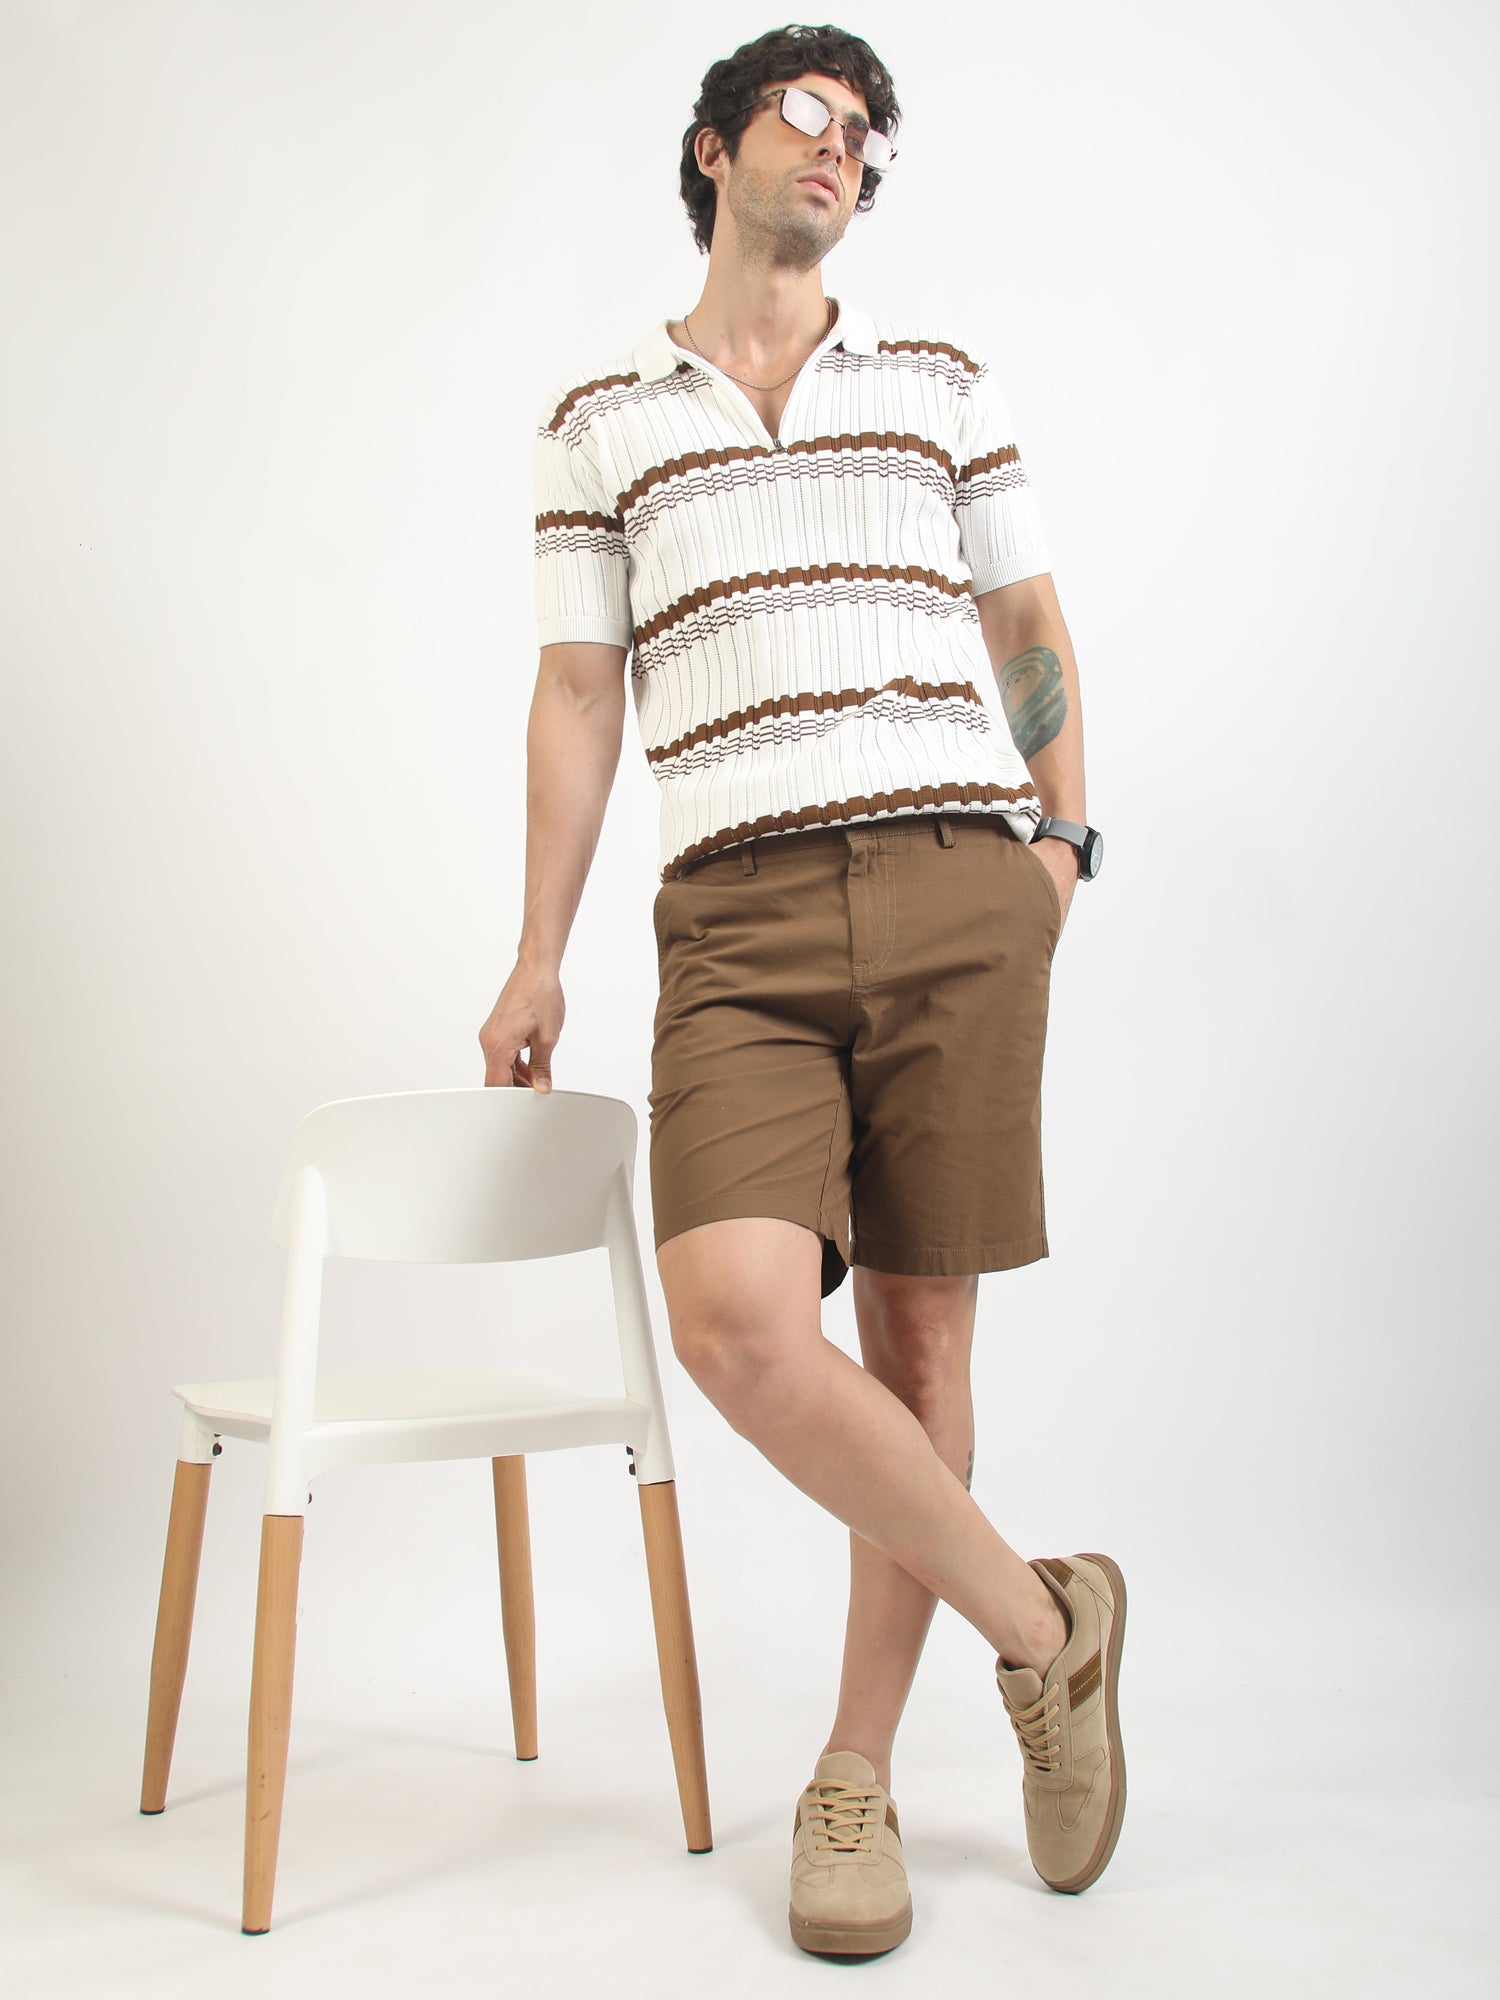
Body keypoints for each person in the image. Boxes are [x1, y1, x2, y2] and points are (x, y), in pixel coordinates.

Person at [479, 20, 1122, 1958]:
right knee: (738, 1322)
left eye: (867, 136)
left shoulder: (936, 384)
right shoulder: (603, 420)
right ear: (716, 147)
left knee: (923, 1360)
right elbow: (578, 690)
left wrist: (1063, 845)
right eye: (809, 114)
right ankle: (1047, 1629)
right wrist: (537, 947)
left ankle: (855, 1775)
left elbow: (1024, 612)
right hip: (737, 922)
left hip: (957, 882)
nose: (842, 148)